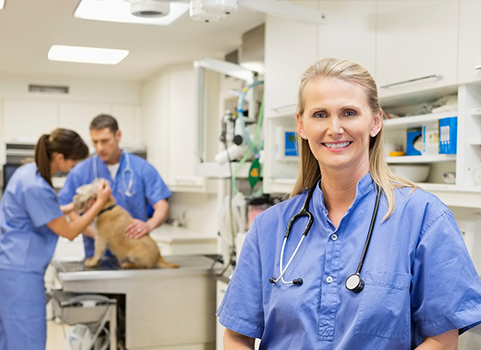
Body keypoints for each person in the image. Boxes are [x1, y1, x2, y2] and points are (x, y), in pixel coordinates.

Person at [217, 58, 481, 349]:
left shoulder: (423, 218)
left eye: (349, 112)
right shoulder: (269, 227)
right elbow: (236, 335)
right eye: (320, 114)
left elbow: (442, 340)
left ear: (376, 121)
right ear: (301, 125)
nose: (335, 128)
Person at [0, 128, 112, 350]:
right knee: (27, 341)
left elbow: (43, 212)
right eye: (74, 161)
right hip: (21, 276)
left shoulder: (27, 172)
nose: (74, 167)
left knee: (9, 338)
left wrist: (75, 206)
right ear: (59, 157)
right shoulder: (36, 186)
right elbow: (69, 231)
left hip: (9, 270)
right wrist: (100, 203)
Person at [58, 114, 172, 258]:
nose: (100, 147)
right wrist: (98, 235)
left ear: (118, 135)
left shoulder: (143, 168)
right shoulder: (80, 171)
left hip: (133, 253)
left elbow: (162, 207)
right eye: (95, 142)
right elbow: (69, 210)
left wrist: (148, 225)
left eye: (105, 141)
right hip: (97, 256)